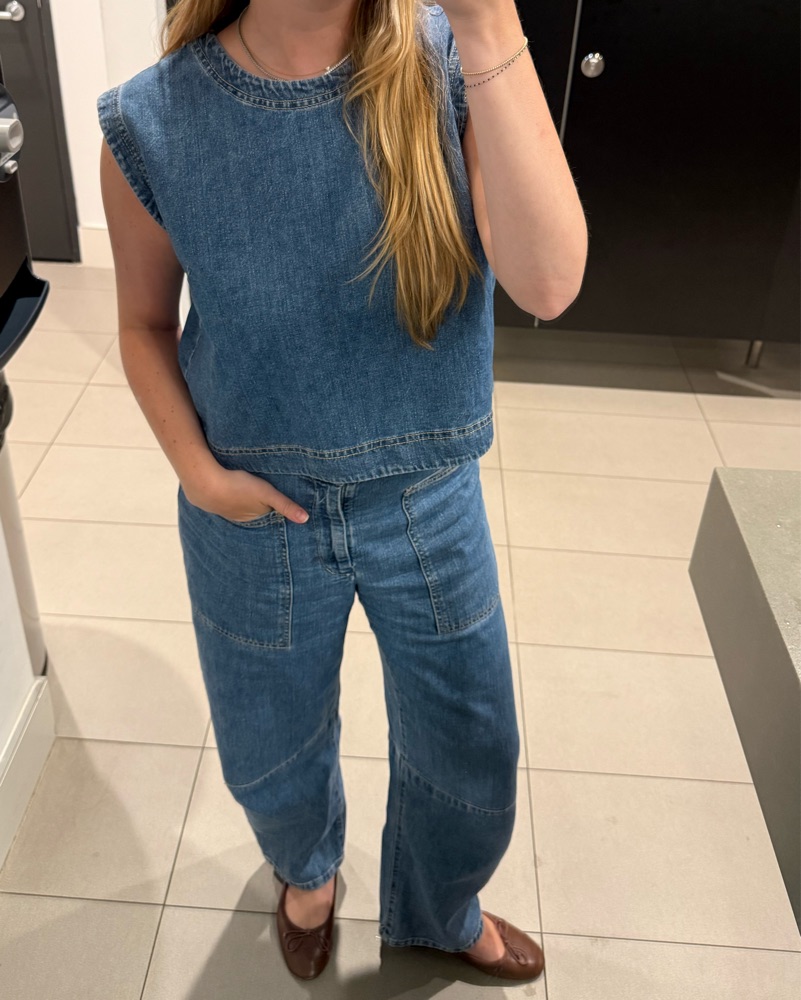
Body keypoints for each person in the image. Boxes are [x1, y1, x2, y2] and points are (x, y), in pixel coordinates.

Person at [97, 0, 586, 983]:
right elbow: (144, 323)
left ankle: (438, 908)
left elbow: (548, 284)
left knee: (471, 747)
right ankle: (307, 875)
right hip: (253, 512)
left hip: (426, 497)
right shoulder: (152, 121)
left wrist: (491, 28)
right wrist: (199, 474)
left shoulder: (449, 65)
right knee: (269, 746)